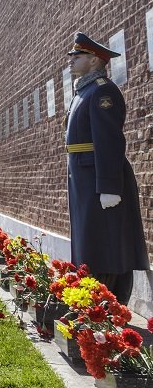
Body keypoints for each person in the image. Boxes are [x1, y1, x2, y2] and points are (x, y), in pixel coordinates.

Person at [65, 32, 148, 304]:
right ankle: (91, 301)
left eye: (77, 57)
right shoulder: (85, 91)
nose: (71, 61)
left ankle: (108, 305)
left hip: (97, 178)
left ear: (93, 60)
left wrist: (109, 187)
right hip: (83, 176)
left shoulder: (102, 90)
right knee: (92, 241)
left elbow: (109, 140)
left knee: (107, 244)